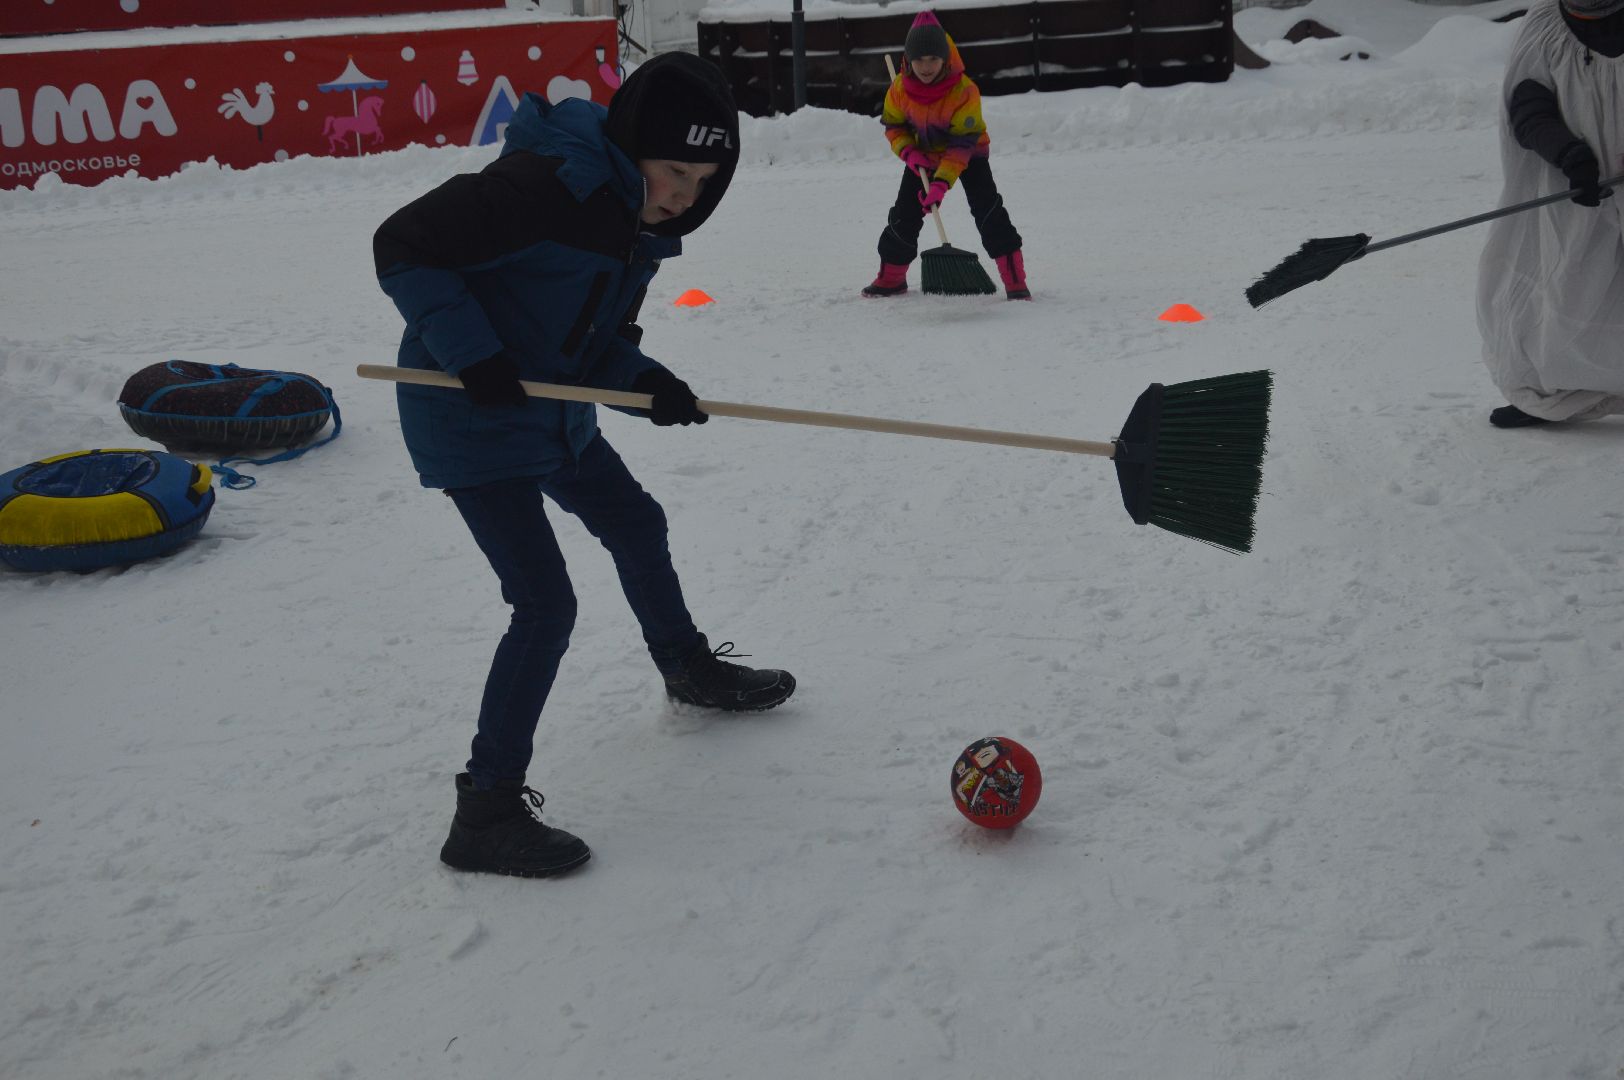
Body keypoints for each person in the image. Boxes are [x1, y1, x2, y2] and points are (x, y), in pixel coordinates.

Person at [373, 53, 796, 879]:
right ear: (637, 145)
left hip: (549, 416)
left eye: (702, 182)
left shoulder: (630, 227)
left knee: (636, 521)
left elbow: (592, 346)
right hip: (470, 419)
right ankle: (485, 810)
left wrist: (648, 384)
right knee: (544, 603)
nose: (683, 195)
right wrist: (475, 356)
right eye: (675, 171)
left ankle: (686, 669)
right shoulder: (547, 186)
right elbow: (405, 245)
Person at [1477, 0, 1624, 428]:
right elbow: (1527, 109)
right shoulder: (1544, 28)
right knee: (1565, 286)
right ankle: (1551, 393)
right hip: (1576, 188)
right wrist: (1570, 154)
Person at [862, 10, 1029, 301]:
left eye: (933, 59)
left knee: (988, 211)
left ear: (945, 58)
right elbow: (894, 126)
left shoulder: (964, 92)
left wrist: (942, 183)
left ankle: (1015, 280)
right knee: (905, 214)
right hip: (923, 156)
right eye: (919, 60)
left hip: (968, 154)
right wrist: (909, 152)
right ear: (909, 60)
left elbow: (962, 144)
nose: (926, 67)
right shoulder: (899, 89)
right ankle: (891, 278)